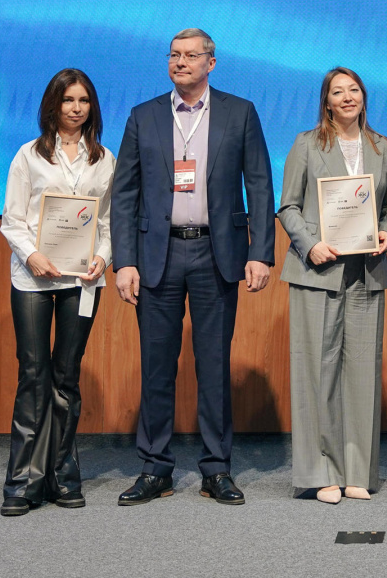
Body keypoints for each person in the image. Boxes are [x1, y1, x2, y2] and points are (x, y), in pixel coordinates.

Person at [110, 28, 275, 506]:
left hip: (215, 253)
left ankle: (216, 469)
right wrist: (124, 261)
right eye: (174, 55)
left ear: (211, 63)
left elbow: (259, 184)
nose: (180, 62)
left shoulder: (239, 112)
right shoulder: (143, 116)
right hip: (156, 255)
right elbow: (124, 194)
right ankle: (155, 468)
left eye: (190, 55)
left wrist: (260, 251)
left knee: (214, 366)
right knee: (156, 367)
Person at [0, 69, 114, 516]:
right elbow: (12, 220)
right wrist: (31, 256)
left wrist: (103, 257)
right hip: (33, 278)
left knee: (66, 378)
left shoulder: (104, 158)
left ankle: (63, 477)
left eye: (83, 100)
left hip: (81, 282)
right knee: (33, 375)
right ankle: (22, 481)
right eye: (68, 100)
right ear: (53, 104)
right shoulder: (28, 155)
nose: (76, 108)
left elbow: (108, 223)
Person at [278, 68, 387, 504]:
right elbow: (288, 206)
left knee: (363, 373)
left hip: (366, 270)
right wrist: (310, 245)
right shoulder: (306, 144)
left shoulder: (383, 146)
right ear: (326, 102)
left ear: (364, 96)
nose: (347, 97)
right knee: (316, 373)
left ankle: (357, 471)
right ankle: (321, 472)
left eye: (354, 89)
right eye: (337, 91)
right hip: (317, 271)